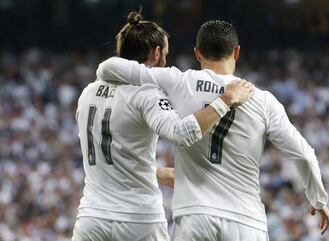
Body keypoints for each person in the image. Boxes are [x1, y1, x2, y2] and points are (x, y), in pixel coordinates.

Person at [97, 16, 329, 240]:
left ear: (197, 53)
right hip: (246, 221)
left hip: (194, 218)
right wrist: (318, 200)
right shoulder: (263, 100)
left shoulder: (177, 81)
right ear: (237, 52)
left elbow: (107, 69)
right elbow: (304, 154)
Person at [72, 12, 254, 241]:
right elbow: (182, 133)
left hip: (91, 219)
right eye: (165, 54)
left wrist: (154, 172)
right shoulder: (145, 92)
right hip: (138, 219)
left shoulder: (87, 93)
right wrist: (225, 101)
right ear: (156, 52)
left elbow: (108, 153)